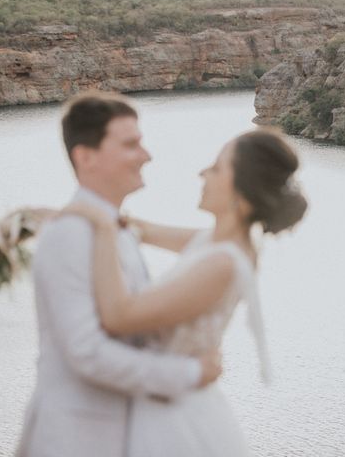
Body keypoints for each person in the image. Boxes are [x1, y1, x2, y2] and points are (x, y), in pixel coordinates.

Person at [58, 124, 307, 456]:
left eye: (217, 168)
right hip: (163, 403)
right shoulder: (217, 241)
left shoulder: (223, 263)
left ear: (241, 195)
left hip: (173, 425)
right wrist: (44, 220)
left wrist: (102, 230)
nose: (202, 172)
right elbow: (139, 229)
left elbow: (118, 317)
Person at [16, 91, 222, 457]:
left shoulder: (118, 230)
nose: (147, 156)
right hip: (74, 440)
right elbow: (87, 352)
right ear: (86, 157)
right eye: (131, 145)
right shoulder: (68, 234)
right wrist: (189, 373)